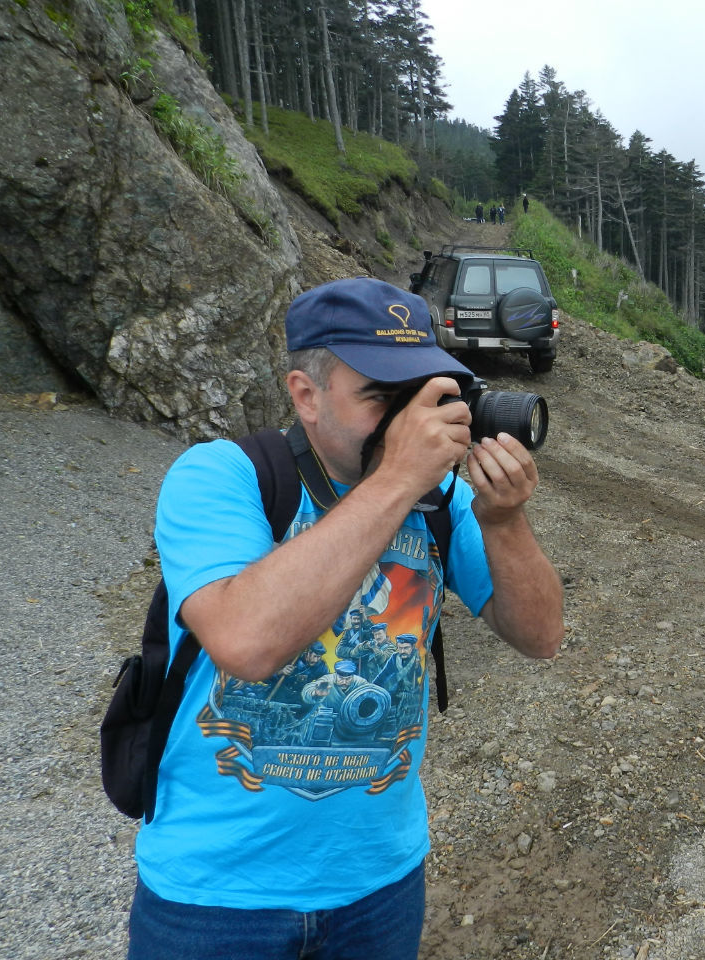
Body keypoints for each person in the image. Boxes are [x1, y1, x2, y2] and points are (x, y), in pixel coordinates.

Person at [128, 276, 564, 960]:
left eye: (422, 394)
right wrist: (397, 478)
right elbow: (247, 641)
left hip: (380, 885)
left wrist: (503, 521)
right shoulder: (221, 476)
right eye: (383, 398)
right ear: (305, 394)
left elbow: (541, 636)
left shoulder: (442, 501)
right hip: (216, 899)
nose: (409, 423)